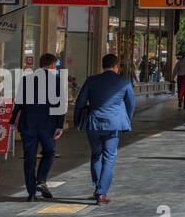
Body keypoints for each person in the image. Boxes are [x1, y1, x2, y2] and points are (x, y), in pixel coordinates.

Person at [73, 53, 136, 205]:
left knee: (96, 154)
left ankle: (97, 184)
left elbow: (80, 102)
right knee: (109, 157)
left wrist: (77, 121)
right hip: (113, 124)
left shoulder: (91, 80)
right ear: (116, 66)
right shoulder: (124, 81)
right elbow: (131, 103)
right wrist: (125, 119)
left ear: (102, 66)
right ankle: (101, 192)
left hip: (93, 124)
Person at [13, 53, 65, 201]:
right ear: (52, 66)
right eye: (55, 66)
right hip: (47, 126)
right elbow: (59, 105)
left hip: (28, 124)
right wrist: (60, 126)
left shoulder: (26, 80)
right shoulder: (56, 81)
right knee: (49, 152)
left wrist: (12, 121)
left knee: (29, 158)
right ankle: (41, 181)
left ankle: (31, 193)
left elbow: (19, 102)